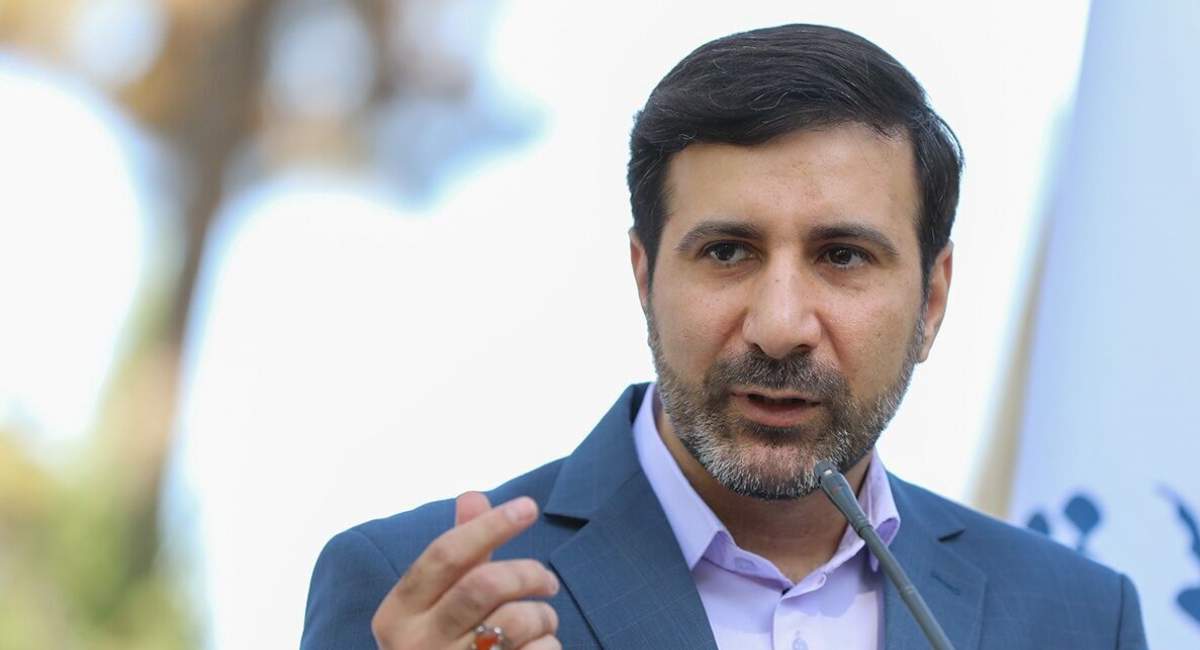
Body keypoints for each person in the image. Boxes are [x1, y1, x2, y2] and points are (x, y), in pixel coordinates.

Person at [300, 24, 1148, 649]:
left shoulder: (1078, 619)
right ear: (644, 279)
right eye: (728, 252)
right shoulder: (424, 598)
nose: (779, 328)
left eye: (842, 256)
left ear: (932, 301)